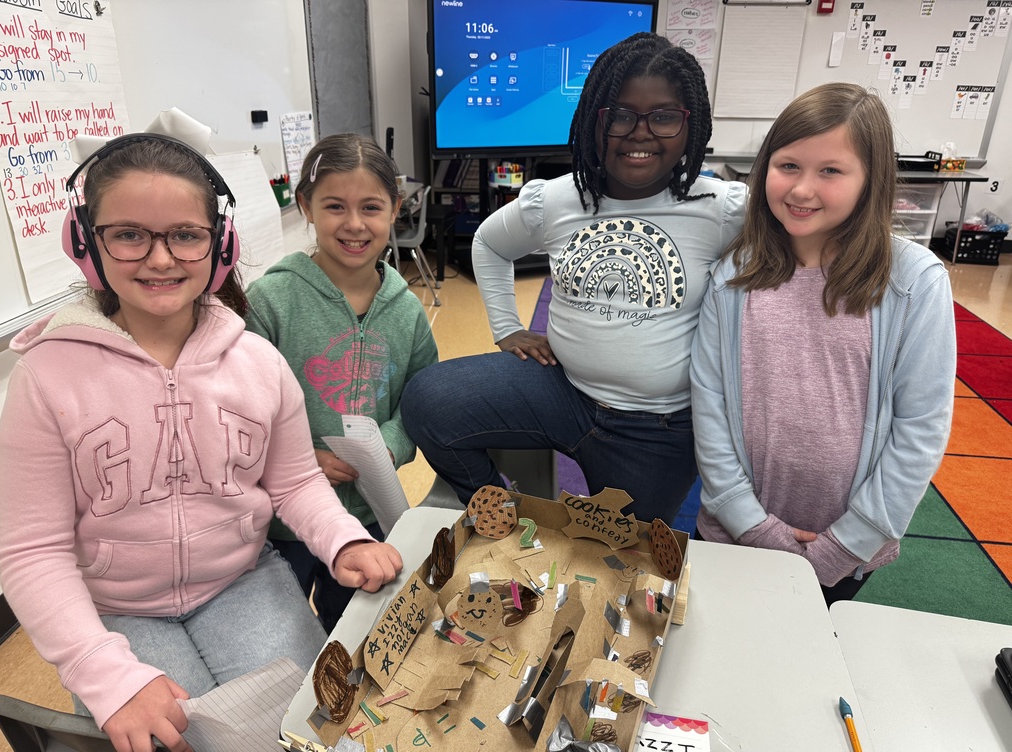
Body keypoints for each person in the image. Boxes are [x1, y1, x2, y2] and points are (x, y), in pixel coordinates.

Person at [0, 133, 403, 752]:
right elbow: (33, 550)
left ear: (221, 244)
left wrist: (342, 538)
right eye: (129, 234)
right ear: (86, 243)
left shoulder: (258, 363)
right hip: (117, 611)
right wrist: (103, 671)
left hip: (243, 583)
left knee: (310, 734)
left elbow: (293, 482)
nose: (160, 259)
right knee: (180, 750)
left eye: (185, 235)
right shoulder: (47, 377)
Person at [401, 33, 746, 525]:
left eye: (664, 116)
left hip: (656, 429)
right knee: (427, 401)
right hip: (562, 391)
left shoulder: (722, 209)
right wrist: (506, 327)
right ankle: (501, 512)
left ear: (691, 127)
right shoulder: (558, 200)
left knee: (626, 557)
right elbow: (490, 243)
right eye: (619, 115)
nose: (639, 132)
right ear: (592, 121)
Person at [690, 83, 956, 605]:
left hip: (847, 548)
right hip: (733, 531)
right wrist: (752, 526)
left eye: (830, 171)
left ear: (870, 180)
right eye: (788, 165)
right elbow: (711, 406)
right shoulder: (732, 279)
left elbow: (921, 427)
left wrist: (847, 543)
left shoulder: (913, 281)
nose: (802, 190)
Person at [245, 133, 438, 632]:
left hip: (368, 510)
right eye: (335, 206)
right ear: (306, 207)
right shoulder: (270, 301)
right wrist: (300, 460)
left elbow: (422, 397)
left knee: (351, 629)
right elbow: (239, 409)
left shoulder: (408, 310)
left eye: (371, 207)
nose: (354, 224)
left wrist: (389, 444)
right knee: (282, 633)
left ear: (396, 209)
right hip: (280, 519)